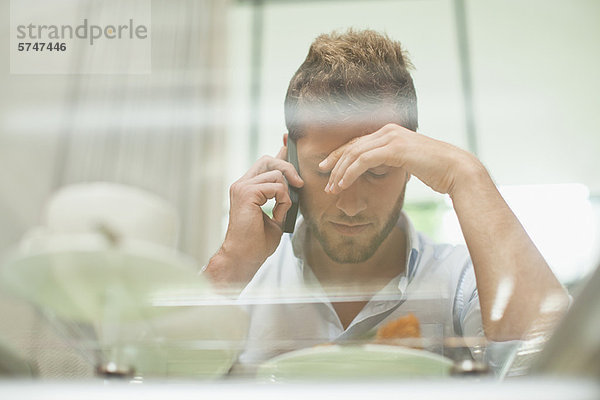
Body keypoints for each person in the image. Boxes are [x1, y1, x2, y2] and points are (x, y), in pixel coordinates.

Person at [204, 29, 569, 368]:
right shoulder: (245, 283)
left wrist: (467, 174)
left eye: (377, 171)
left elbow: (553, 370)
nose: (350, 205)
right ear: (290, 156)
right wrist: (230, 264)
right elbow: (159, 374)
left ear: (412, 161)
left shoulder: (463, 280)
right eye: (327, 170)